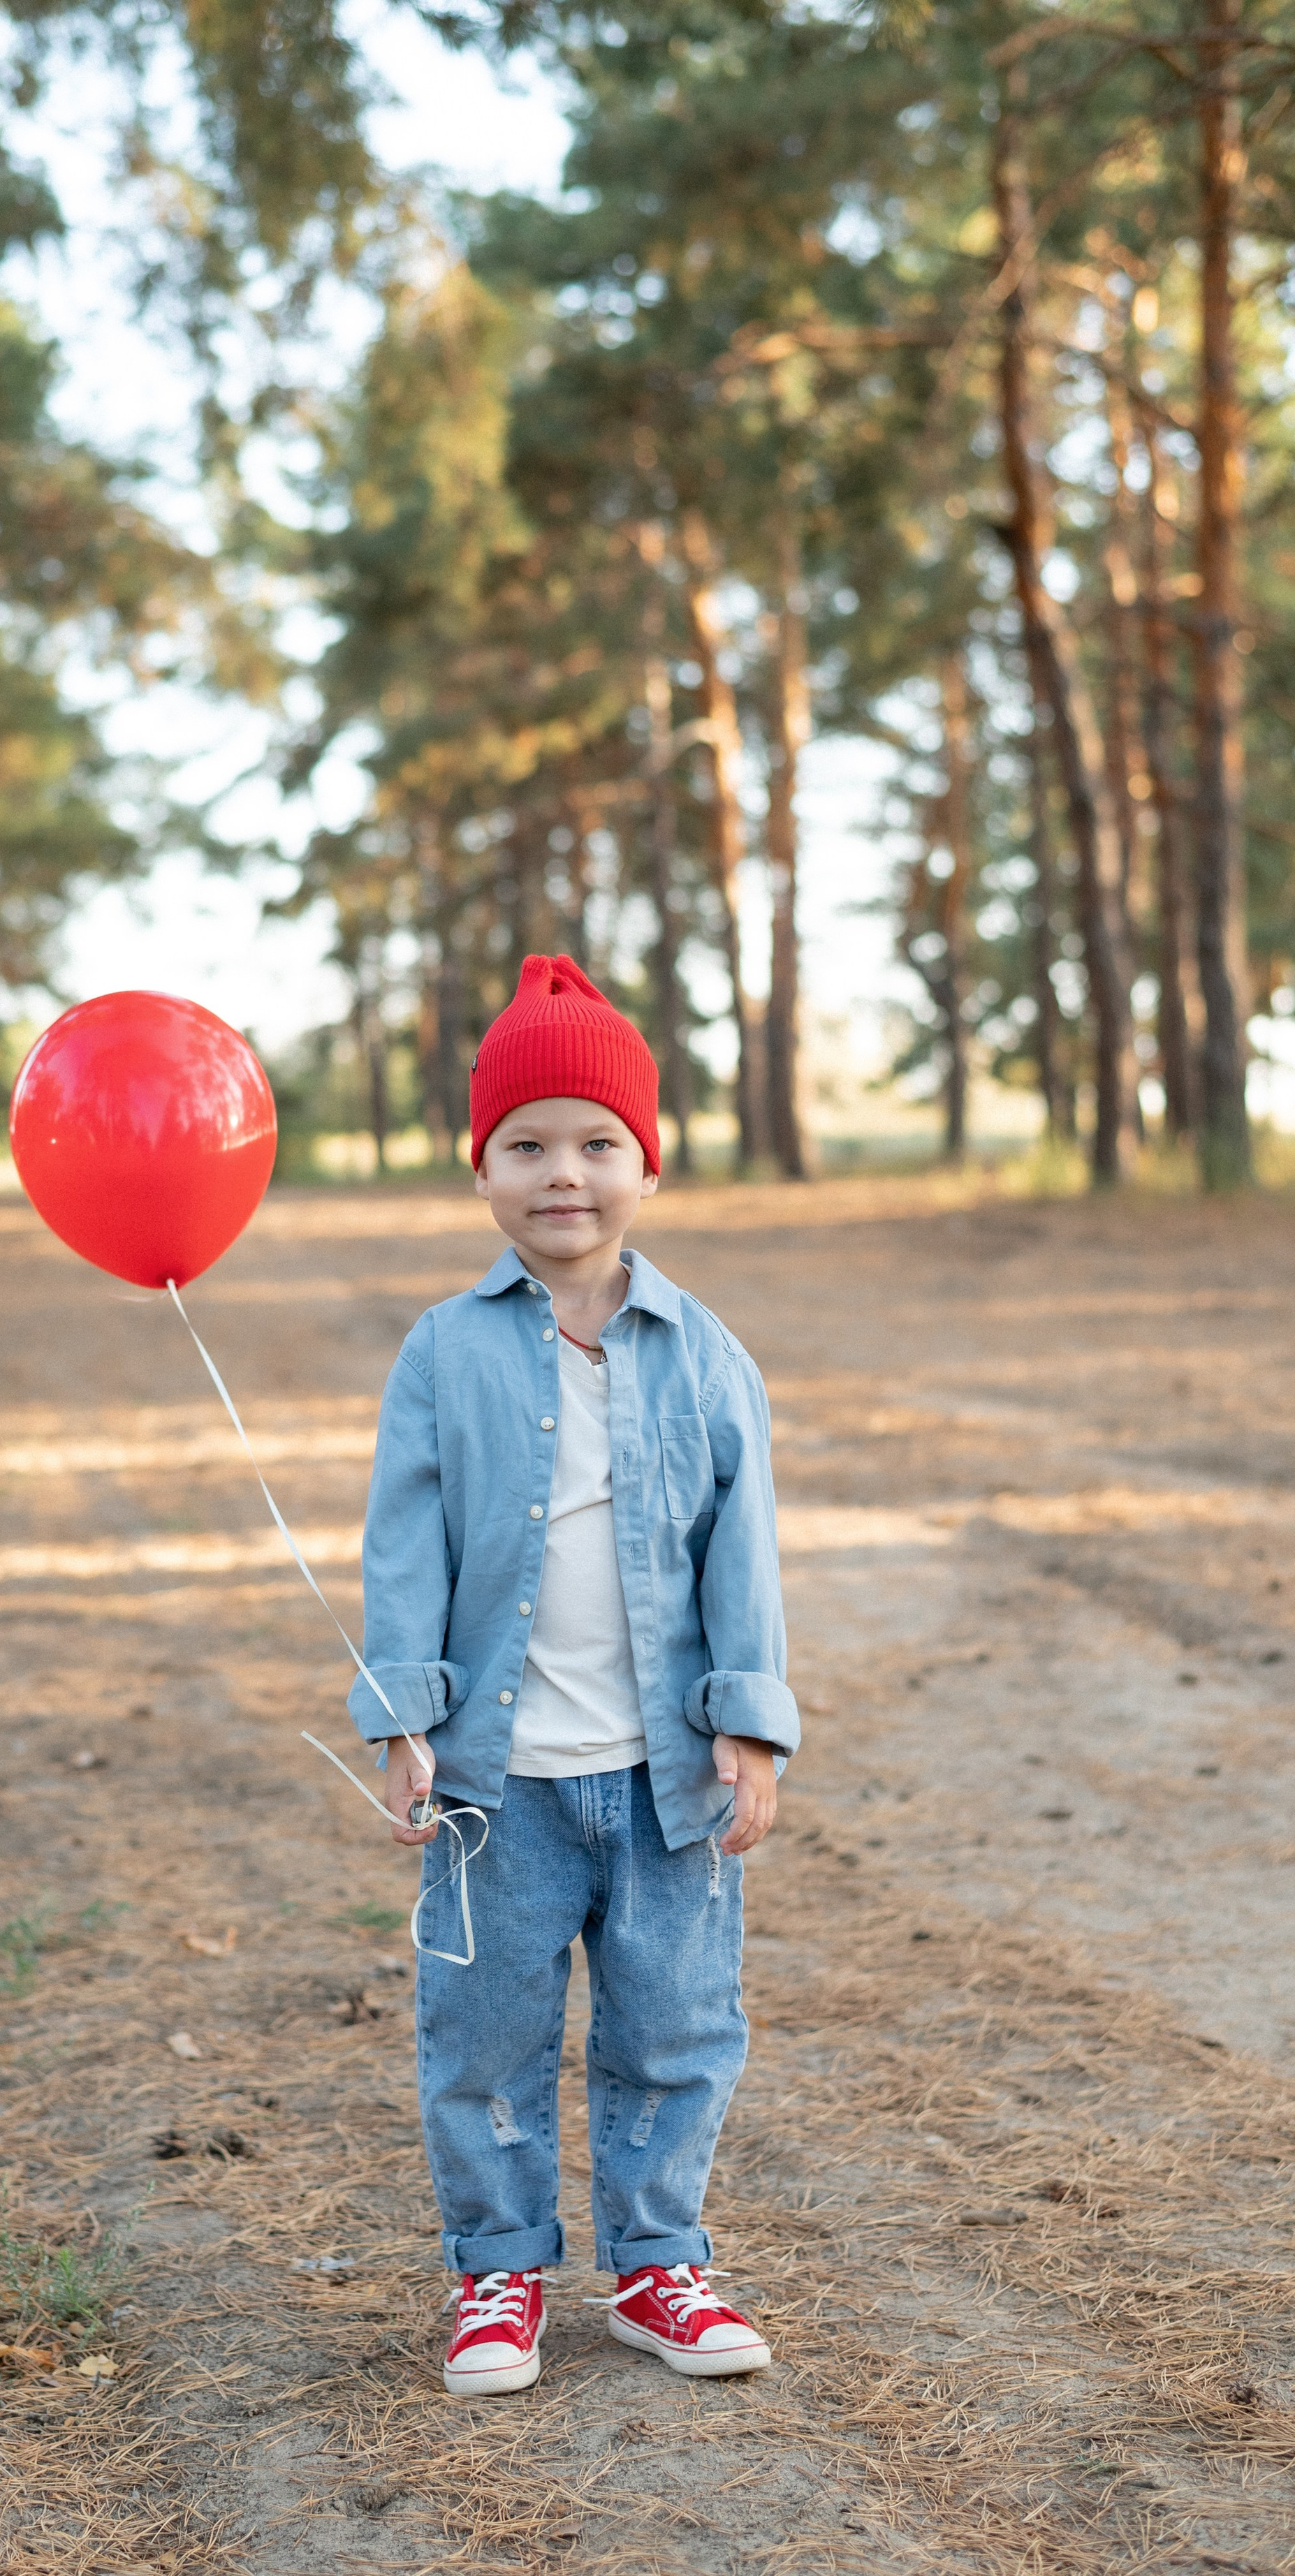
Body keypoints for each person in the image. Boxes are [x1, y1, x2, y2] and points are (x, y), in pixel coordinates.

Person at [349, 953, 800, 2398]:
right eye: (526, 1145)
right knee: (481, 2038)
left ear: (645, 1166)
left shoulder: (703, 1351)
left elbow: (746, 1555)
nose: (563, 1175)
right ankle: (495, 2278)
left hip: (660, 1778)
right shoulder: (442, 1351)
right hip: (495, 1789)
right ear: (478, 1165)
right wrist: (403, 1718)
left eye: (597, 1144)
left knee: (673, 2027)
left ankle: (658, 2264)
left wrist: (751, 1727)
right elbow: (402, 1545)